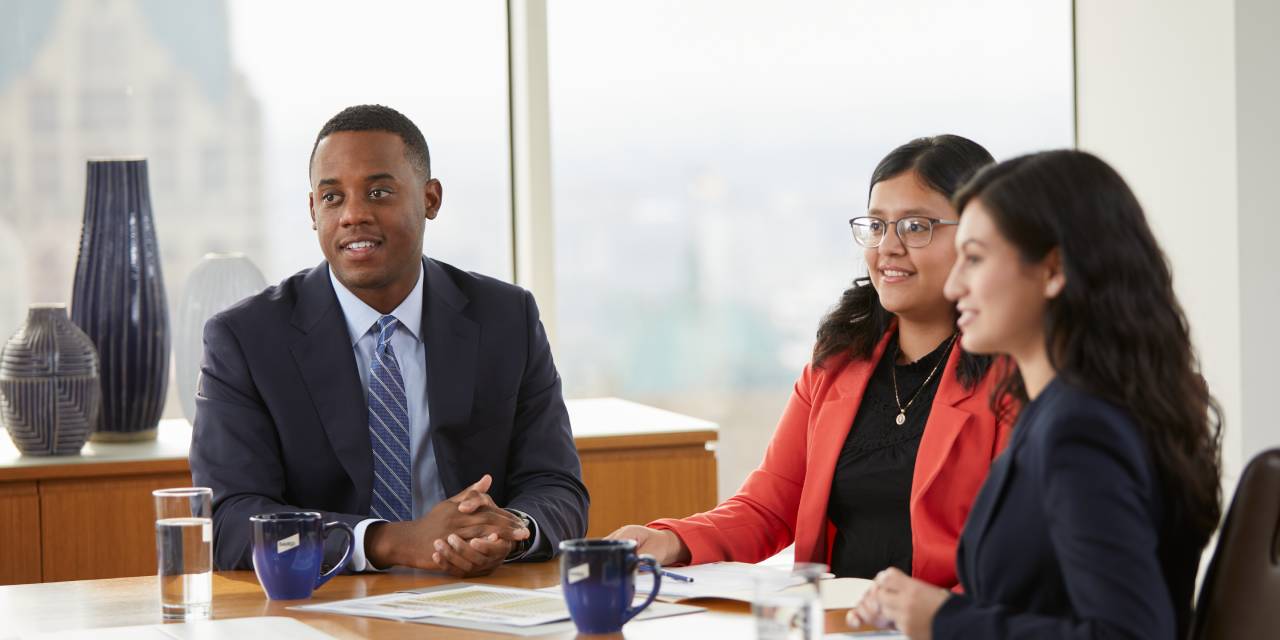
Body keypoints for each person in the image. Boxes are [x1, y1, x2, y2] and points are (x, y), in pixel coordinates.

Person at [190, 104, 589, 577]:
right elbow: (229, 519)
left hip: (474, 596)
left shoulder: (506, 317)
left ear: (431, 199)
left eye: (379, 192)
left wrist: (509, 530)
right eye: (333, 197)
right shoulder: (246, 339)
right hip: (327, 603)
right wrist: (390, 541)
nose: (354, 214)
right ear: (313, 210)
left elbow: (557, 485)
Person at [850, 150, 1223, 639]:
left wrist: (943, 620)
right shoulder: (1066, 408)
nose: (957, 282)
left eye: (976, 258)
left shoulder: (1080, 429)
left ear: (1053, 271)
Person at [608, 135, 1009, 587]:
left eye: (916, 226)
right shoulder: (838, 363)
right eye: (877, 226)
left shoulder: (1014, 376)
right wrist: (670, 540)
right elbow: (769, 506)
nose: (888, 247)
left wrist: (933, 618)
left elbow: (1019, 559)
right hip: (834, 624)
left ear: (978, 237)